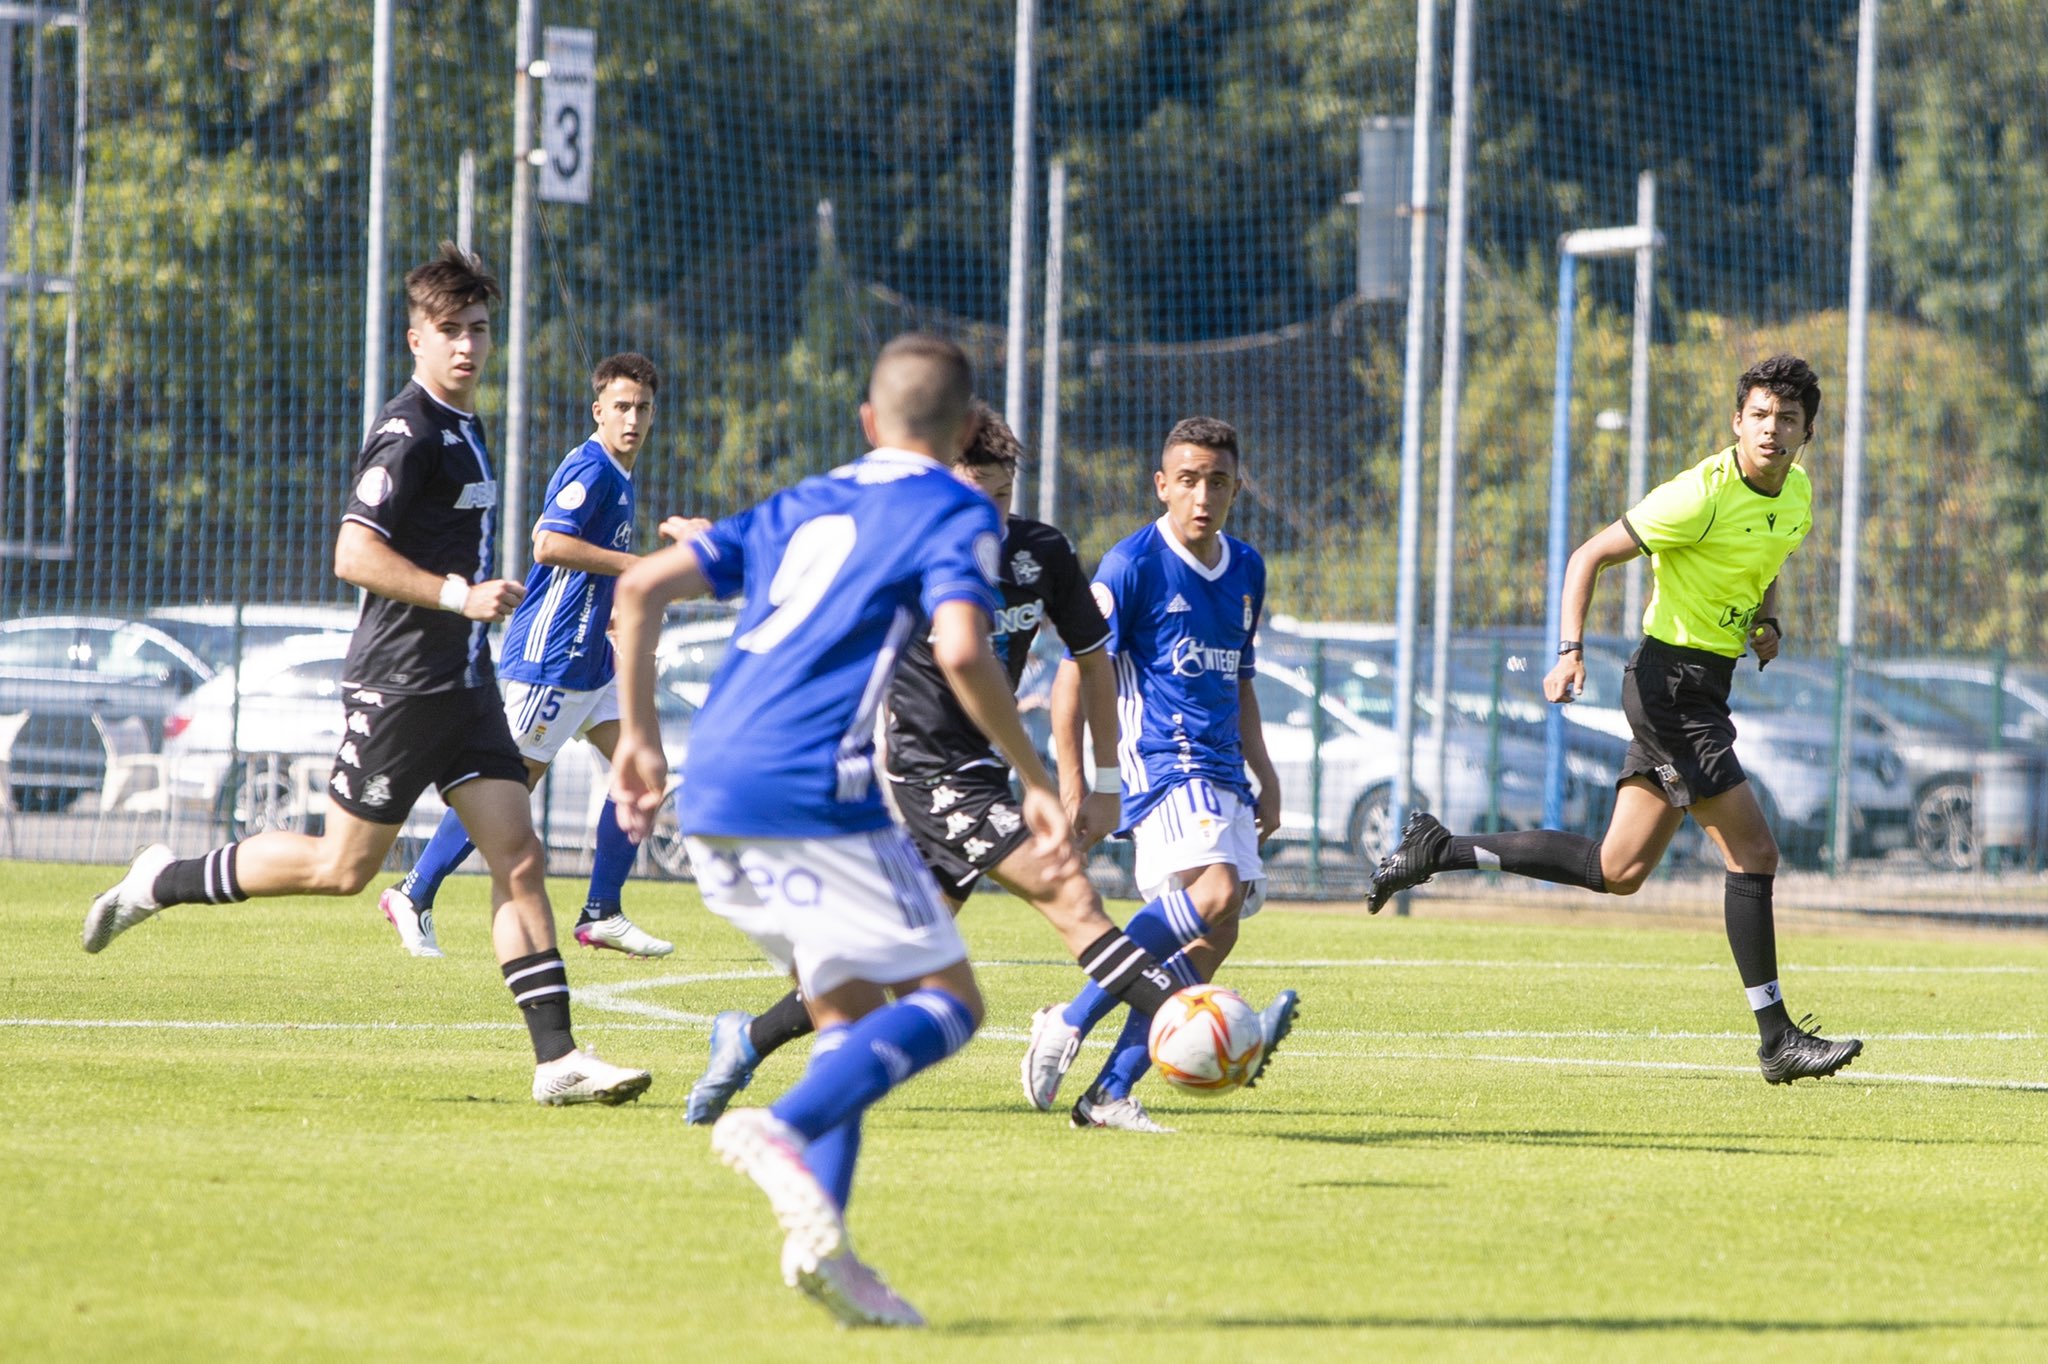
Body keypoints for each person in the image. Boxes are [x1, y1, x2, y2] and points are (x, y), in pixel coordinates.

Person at [82, 243, 651, 1108]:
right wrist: (459, 595)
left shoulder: (469, 428)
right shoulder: (409, 430)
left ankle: (559, 1060)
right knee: (342, 868)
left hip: (464, 687)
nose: (467, 346)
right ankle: (159, 880)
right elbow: (354, 552)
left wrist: (468, 621)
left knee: (519, 854)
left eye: (480, 330)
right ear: (416, 339)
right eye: (450, 330)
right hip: (400, 685)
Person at [610, 335, 1083, 1326]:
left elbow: (639, 586)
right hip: (814, 793)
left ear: (865, 421)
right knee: (950, 1000)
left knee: (848, 1016)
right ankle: (780, 1127)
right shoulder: (956, 506)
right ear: (961, 432)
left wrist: (637, 744)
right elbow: (962, 645)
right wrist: (1034, 774)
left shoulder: (799, 500)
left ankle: (825, 1248)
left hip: (714, 790)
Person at [679, 403, 1298, 1126]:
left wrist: (1095, 784)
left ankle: (746, 1039)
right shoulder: (909, 551)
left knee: (881, 972)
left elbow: (1090, 660)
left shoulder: (1040, 554)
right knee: (1069, 894)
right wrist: (714, 552)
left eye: (1002, 498)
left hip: (979, 774)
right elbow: (803, 581)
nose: (990, 515)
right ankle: (1168, 1027)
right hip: (918, 771)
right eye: (976, 496)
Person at [1368, 353, 1863, 1085]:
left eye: (1786, 418)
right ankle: (1776, 1038)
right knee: (1755, 854)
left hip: (1707, 687)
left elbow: (1766, 560)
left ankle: (1438, 849)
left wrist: (1769, 622)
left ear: (1807, 433)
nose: (1771, 428)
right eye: (1758, 414)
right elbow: (1589, 555)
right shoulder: (1697, 493)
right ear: (1737, 421)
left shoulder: (1796, 494)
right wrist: (1569, 652)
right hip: (1671, 689)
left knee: (1618, 868)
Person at [376, 351, 700, 960]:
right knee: (506, 787)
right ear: (598, 409)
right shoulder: (592, 468)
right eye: (622, 407)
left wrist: (613, 609)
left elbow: (589, 573)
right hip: (550, 658)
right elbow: (548, 544)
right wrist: (641, 569)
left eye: (644, 408)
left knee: (645, 776)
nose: (633, 418)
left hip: (592, 660)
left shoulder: (622, 477)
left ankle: (602, 911)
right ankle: (413, 892)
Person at [1021, 416, 1289, 1133]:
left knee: (1217, 932)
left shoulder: (1248, 569)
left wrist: (1264, 769)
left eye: (1220, 481)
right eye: (1190, 480)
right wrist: (1075, 779)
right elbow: (1078, 675)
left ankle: (1108, 1091)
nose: (1205, 495)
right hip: (1164, 764)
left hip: (1224, 770)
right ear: (1162, 485)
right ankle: (1070, 1021)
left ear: (1237, 487)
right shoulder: (1131, 564)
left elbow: (1241, 679)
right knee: (1216, 892)